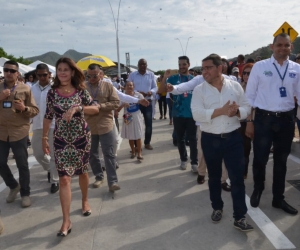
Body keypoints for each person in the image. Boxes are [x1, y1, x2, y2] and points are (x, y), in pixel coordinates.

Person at [191, 53, 253, 232]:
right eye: (203, 68)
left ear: (220, 68)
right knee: (215, 177)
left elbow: (247, 106)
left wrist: (237, 111)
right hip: (210, 139)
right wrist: (221, 110)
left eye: (208, 68)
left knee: (237, 179)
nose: (204, 72)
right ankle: (217, 207)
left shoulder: (234, 86)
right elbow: (197, 114)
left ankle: (240, 217)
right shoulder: (199, 90)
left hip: (233, 137)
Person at [42, 57, 99, 237]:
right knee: (64, 179)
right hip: (60, 139)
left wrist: (79, 108)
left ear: (73, 72)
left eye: (66, 69)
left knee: (82, 172)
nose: (63, 72)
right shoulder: (52, 93)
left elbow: (95, 109)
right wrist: (44, 137)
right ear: (56, 73)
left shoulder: (81, 91)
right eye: (60, 69)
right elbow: (48, 116)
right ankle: (66, 220)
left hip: (81, 137)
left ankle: (84, 200)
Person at [246, 33, 300, 215]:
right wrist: (250, 121)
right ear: (272, 46)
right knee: (260, 158)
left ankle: (278, 198)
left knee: (281, 161)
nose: (283, 48)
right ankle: (258, 189)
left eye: (286, 45)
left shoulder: (296, 68)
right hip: (263, 119)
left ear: (291, 47)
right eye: (279, 45)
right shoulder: (260, 67)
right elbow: (250, 97)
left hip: (286, 120)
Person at [0, 60, 39, 208]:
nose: (8, 73)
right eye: (6, 70)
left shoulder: (25, 89)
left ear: (17, 73)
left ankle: (25, 193)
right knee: (0, 162)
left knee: (22, 165)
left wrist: (24, 108)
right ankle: (13, 186)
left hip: (19, 131)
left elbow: (35, 111)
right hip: (1, 132)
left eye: (11, 71)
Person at [84, 64, 120, 191]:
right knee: (92, 154)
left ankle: (113, 182)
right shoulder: (83, 87)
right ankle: (99, 176)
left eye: (94, 75)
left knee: (108, 154)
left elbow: (116, 103)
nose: (91, 78)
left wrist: (101, 106)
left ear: (100, 74)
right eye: (89, 75)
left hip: (105, 124)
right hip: (90, 125)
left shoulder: (108, 86)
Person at [161, 56, 198, 172]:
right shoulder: (173, 78)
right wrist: (165, 78)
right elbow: (161, 90)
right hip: (178, 114)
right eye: (179, 65)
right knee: (180, 139)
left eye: (184, 64)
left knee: (193, 140)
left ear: (189, 64)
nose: (181, 67)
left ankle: (194, 162)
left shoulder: (194, 80)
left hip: (192, 115)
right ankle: (183, 159)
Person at [31, 63, 59, 193]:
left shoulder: (56, 88)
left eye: (45, 75)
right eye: (39, 75)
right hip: (37, 125)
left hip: (53, 125)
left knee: (53, 154)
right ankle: (50, 169)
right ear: (36, 75)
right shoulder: (31, 88)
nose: (42, 77)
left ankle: (55, 180)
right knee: (38, 153)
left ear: (49, 74)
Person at [127, 59, 157, 150]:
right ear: (138, 65)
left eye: (144, 64)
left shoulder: (151, 75)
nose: (143, 65)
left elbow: (155, 87)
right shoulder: (132, 75)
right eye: (141, 64)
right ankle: (136, 146)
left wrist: (150, 92)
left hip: (148, 102)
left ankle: (147, 143)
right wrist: (138, 93)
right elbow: (128, 86)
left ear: (147, 65)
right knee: (135, 124)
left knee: (148, 124)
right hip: (136, 103)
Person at [118, 81, 144, 160]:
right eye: (128, 85)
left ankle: (139, 153)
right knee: (130, 136)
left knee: (138, 136)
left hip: (137, 116)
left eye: (131, 85)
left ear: (133, 86)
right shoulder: (122, 97)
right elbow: (117, 109)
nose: (129, 87)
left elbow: (144, 103)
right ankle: (133, 151)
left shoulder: (138, 95)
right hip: (127, 116)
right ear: (125, 87)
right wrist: (123, 105)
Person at [239, 63, 254, 179]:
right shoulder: (239, 87)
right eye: (244, 72)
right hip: (243, 122)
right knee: (245, 149)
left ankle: (260, 177)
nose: (246, 75)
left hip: (259, 122)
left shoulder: (261, 87)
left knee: (260, 151)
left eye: (249, 73)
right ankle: (243, 172)